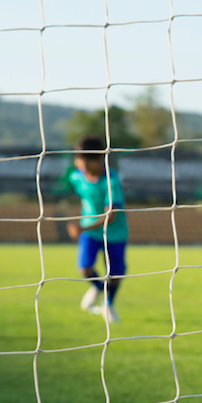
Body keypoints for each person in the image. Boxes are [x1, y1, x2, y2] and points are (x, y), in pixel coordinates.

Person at [66, 136, 128, 323]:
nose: (79, 163)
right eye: (78, 159)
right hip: (91, 232)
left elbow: (112, 215)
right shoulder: (76, 177)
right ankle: (99, 288)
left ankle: (108, 304)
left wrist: (82, 227)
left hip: (114, 233)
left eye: (84, 160)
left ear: (98, 160)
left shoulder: (111, 179)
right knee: (85, 268)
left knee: (115, 275)